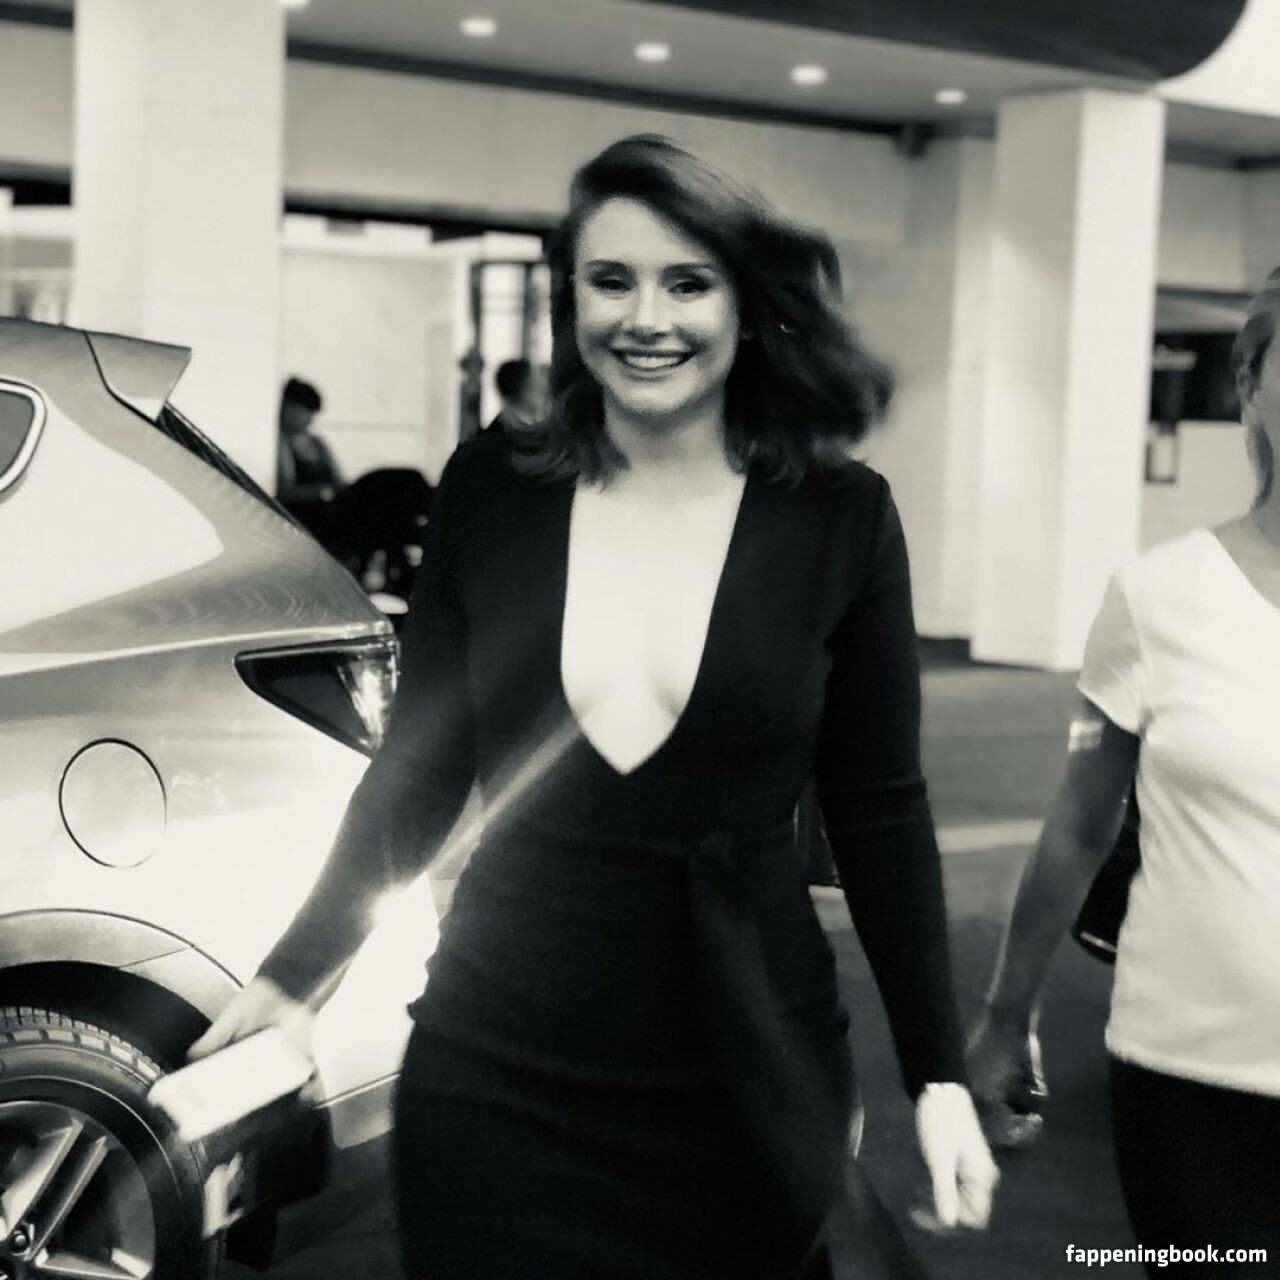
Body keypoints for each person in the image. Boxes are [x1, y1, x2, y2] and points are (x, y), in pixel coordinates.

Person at [192, 134, 997, 1279]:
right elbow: (418, 768)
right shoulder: (496, 487)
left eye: (687, 282)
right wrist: (293, 976)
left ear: (743, 303)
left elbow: (879, 812)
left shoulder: (837, 515)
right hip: (500, 1060)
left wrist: (936, 1070)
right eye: (610, 280)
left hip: (741, 1066)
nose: (644, 318)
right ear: (568, 299)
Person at [968, 270, 1280, 1274]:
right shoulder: (1158, 597)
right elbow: (1079, 823)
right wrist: (1006, 1015)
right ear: (1249, 380)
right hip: (1190, 1076)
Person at [277, 376, 344, 505]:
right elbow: (285, 491)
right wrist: (322, 493)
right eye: (307, 411)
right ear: (289, 407)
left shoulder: (318, 442)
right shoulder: (281, 442)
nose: (311, 419)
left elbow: (340, 481)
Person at [483, 357, 547, 440]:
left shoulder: (535, 433)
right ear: (525, 390)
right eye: (535, 387)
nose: (543, 390)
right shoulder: (493, 439)